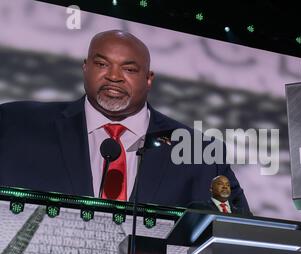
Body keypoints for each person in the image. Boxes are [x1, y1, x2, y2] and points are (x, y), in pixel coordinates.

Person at [0, 30, 249, 211]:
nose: (114, 77)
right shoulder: (15, 124)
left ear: (149, 78)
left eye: (129, 69)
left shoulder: (200, 152)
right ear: (85, 67)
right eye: (101, 64)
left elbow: (238, 234)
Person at [187, 175, 252, 216]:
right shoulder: (197, 207)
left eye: (228, 185)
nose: (225, 187)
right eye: (220, 184)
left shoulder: (243, 213)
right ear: (211, 189)